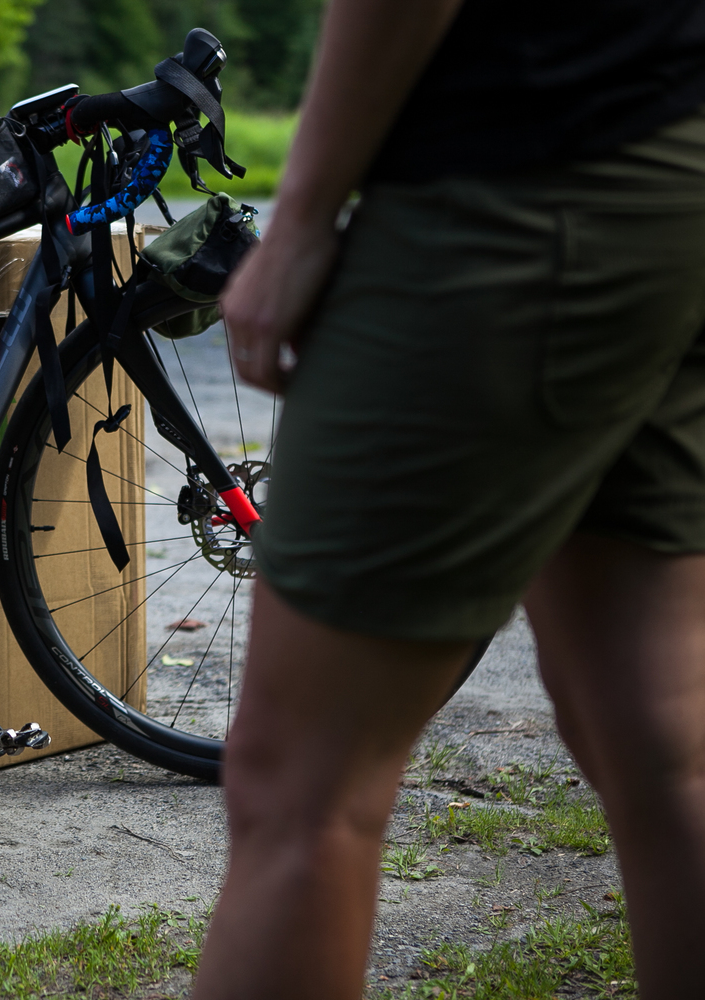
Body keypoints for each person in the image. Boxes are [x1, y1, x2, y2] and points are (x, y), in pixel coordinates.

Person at [196, 0, 705, 996]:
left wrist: (300, 217)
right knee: (655, 735)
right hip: (666, 148)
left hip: (522, 171)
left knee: (297, 781)